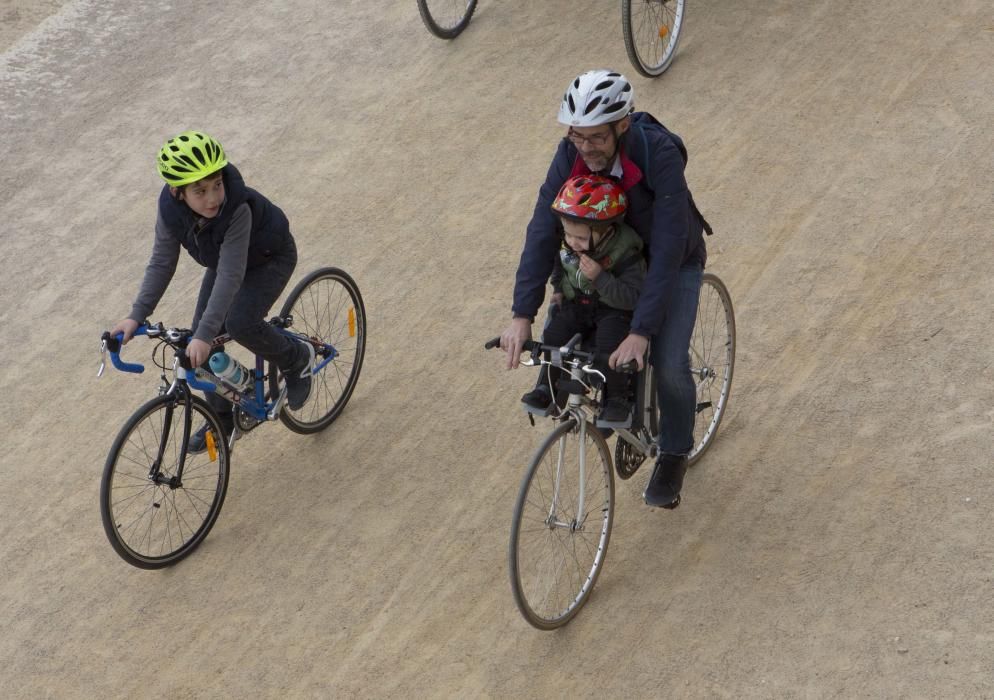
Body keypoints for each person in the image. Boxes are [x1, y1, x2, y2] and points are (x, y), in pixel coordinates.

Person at [499, 70, 711, 509]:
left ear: (622, 125)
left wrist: (643, 330)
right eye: (577, 136)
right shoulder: (569, 155)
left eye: (596, 137)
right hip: (603, 258)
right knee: (575, 326)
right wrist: (523, 314)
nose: (585, 147)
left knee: (669, 362)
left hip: (671, 260)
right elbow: (543, 229)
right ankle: (619, 394)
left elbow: (670, 247)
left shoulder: (660, 154)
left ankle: (673, 451)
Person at [109, 130, 314, 451]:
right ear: (178, 192)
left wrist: (205, 335)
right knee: (199, 350)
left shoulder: (237, 209)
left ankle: (296, 358)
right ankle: (223, 419)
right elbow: (162, 263)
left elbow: (232, 275)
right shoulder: (169, 212)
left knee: (240, 323)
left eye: (217, 184)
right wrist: (136, 316)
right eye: (200, 191)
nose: (213, 198)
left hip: (269, 258)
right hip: (226, 263)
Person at [520, 175, 646, 423]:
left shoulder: (625, 252)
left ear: (604, 230)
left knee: (608, 344)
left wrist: (601, 278)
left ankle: (617, 398)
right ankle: (548, 387)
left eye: (579, 238)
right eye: (568, 235)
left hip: (614, 309)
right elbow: (560, 263)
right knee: (554, 336)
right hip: (579, 304)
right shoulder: (570, 244)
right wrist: (557, 289)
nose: (572, 243)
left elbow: (632, 298)